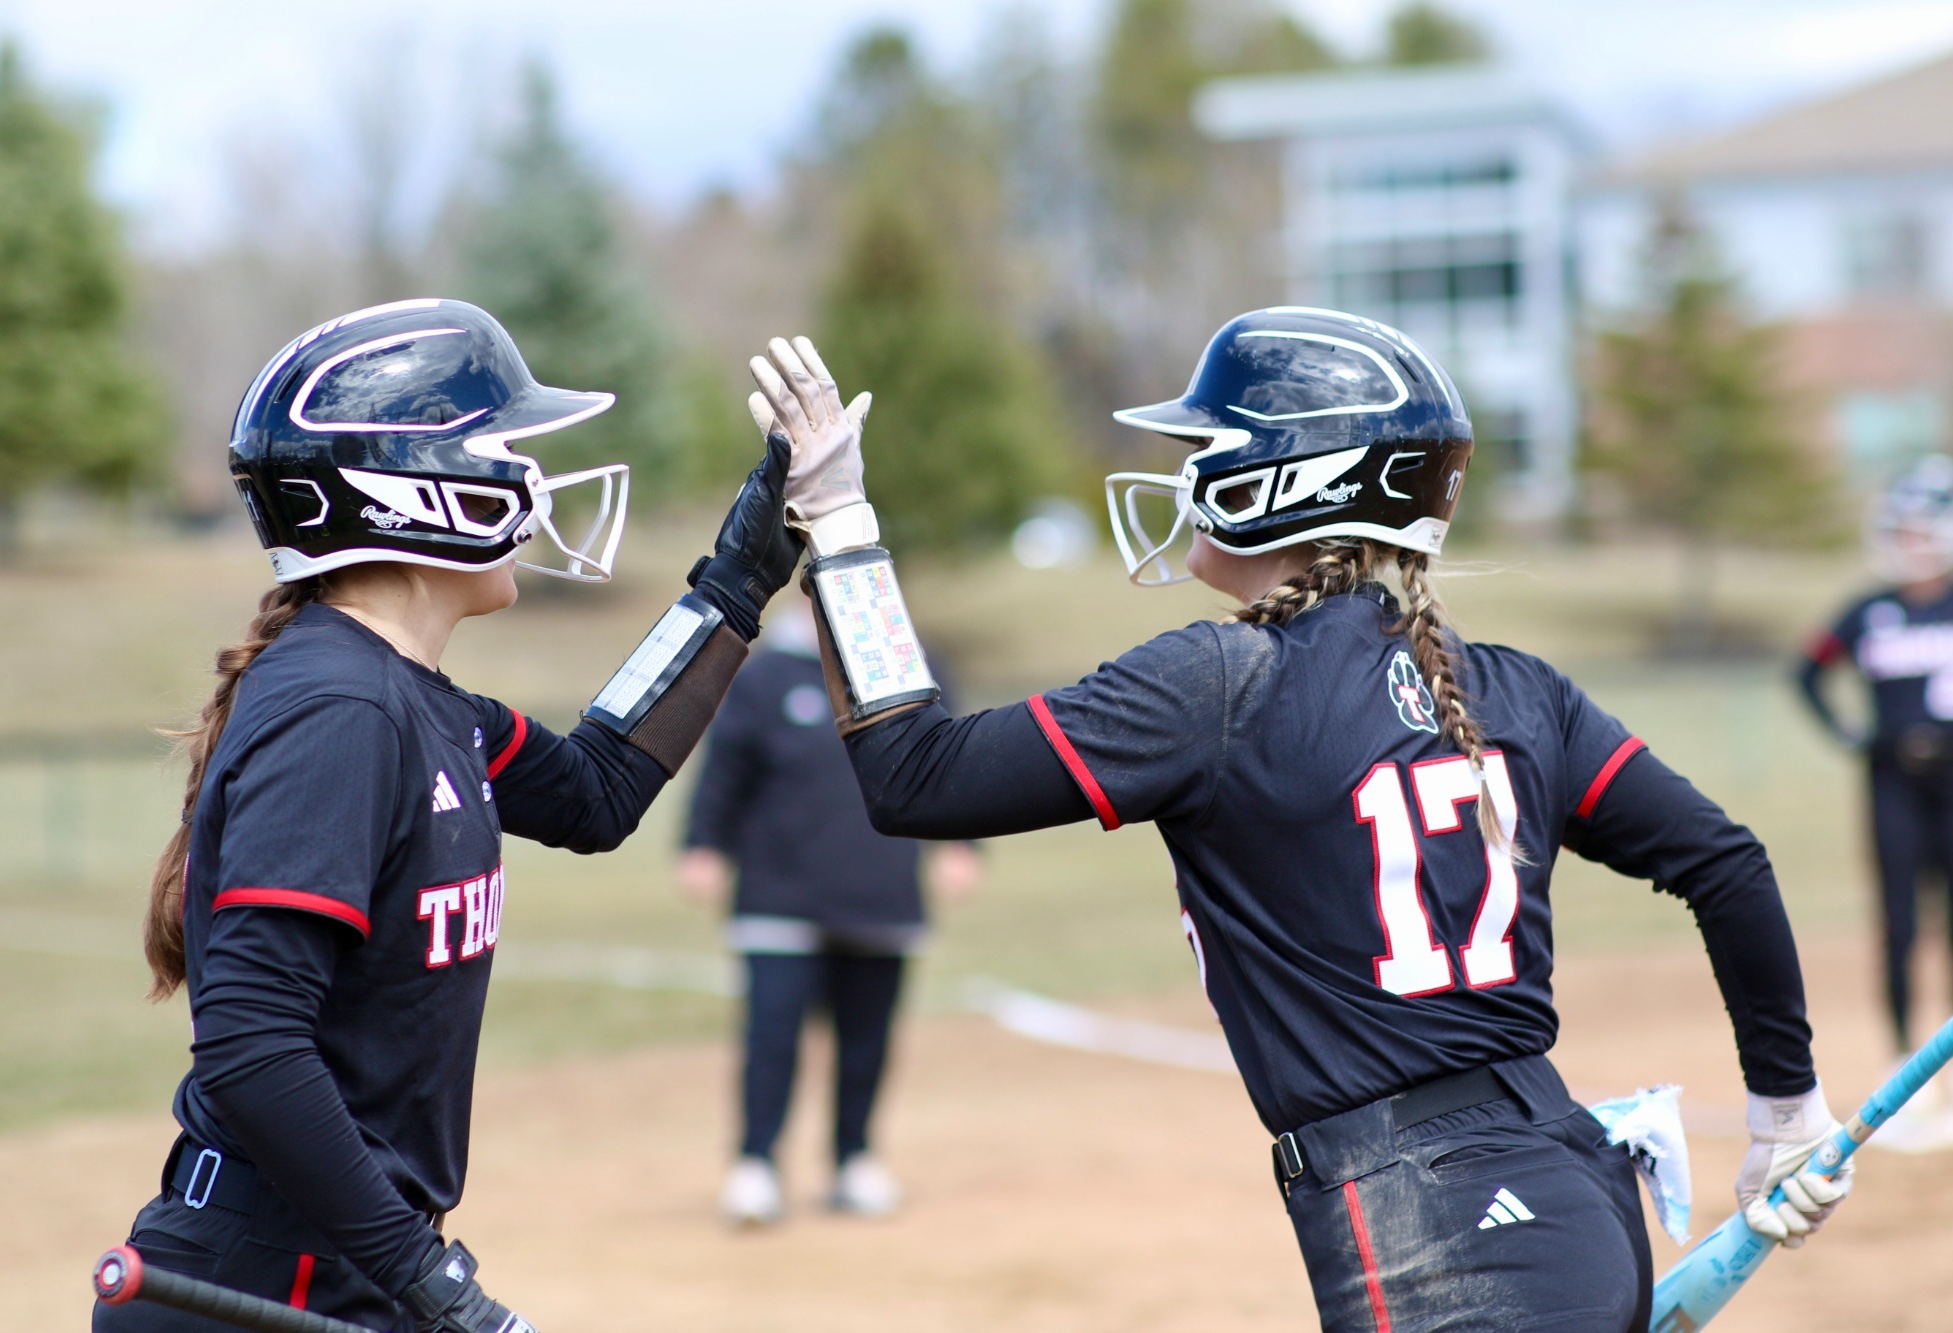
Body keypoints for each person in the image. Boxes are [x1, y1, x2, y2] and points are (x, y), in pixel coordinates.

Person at [742, 311, 1850, 1332]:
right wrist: (1786, 1112)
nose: (1187, 476)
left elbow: (915, 776)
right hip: (1567, 1190)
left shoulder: (1218, 682)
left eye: (1207, 448)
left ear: (1291, 481)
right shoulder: (1517, 687)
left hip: (1439, 1239)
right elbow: (1725, 861)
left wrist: (839, 522)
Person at [96, 299, 802, 1332]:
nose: (530, 481)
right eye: (503, 450)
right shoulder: (341, 710)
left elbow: (597, 789)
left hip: (337, 1262)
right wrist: (433, 1286)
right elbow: (252, 1046)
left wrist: (738, 580)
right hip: (261, 1284)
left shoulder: (416, 700)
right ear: (404, 490)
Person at [677, 597, 982, 1225]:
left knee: (867, 1038)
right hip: (778, 893)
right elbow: (724, 771)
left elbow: (951, 760)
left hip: (880, 888)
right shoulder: (762, 676)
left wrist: (961, 843)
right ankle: (756, 1164)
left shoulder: (911, 665)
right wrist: (704, 846)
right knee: (772, 1036)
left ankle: (855, 1160)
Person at [1798, 455, 1953, 1131]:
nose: (1908, 542)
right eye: (1902, 529)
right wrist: (1852, 734)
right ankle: (1905, 1066)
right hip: (1892, 783)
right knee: (1899, 924)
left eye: (1920, 529)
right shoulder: (1870, 610)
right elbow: (1807, 671)